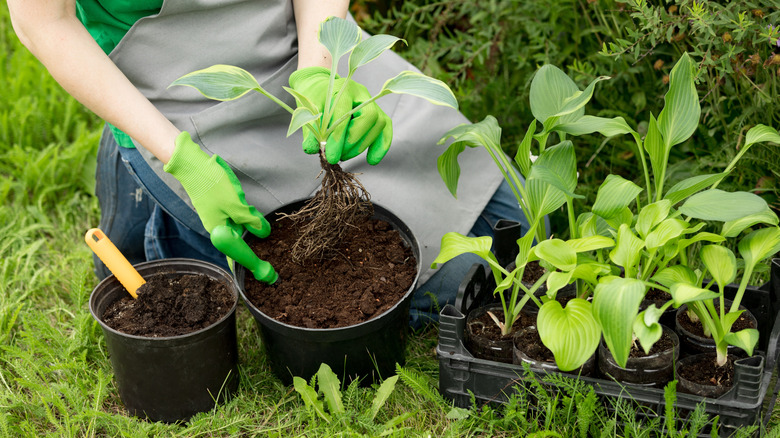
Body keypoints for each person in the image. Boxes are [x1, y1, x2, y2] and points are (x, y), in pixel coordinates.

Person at [8, 0, 528, 329]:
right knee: (450, 289)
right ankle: (146, 189)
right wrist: (182, 159)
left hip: (299, 42)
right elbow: (43, 24)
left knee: (523, 233)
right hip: (175, 98)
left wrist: (321, 71)